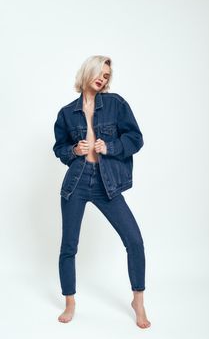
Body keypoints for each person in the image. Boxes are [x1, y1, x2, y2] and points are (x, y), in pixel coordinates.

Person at [52, 55, 151, 328]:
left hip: (106, 183)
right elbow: (59, 148)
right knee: (69, 246)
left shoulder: (116, 104)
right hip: (76, 182)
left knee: (134, 240)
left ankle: (138, 302)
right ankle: (70, 302)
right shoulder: (66, 112)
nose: (102, 78)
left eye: (107, 75)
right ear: (88, 72)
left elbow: (135, 138)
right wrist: (73, 150)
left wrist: (110, 147)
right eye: (99, 72)